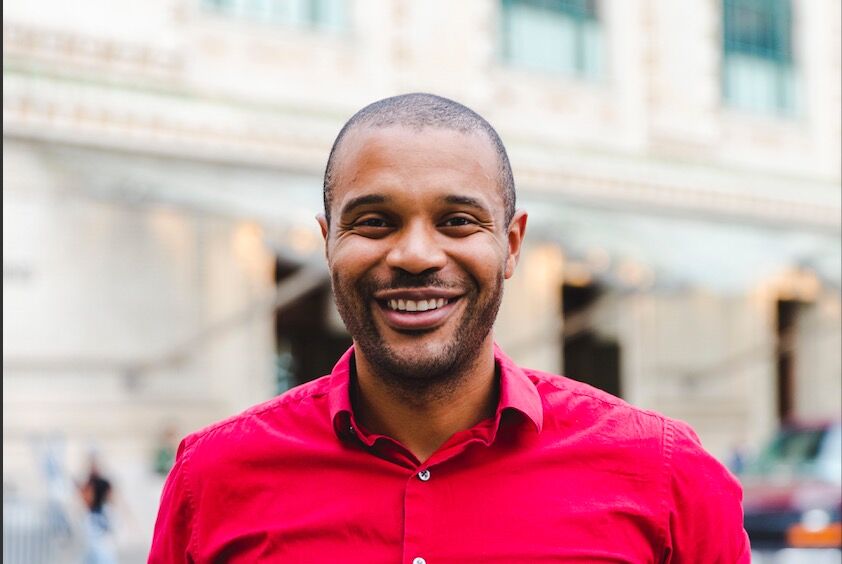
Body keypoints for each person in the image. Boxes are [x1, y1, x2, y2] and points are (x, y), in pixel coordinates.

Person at [149, 93, 750, 562]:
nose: (415, 255)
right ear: (327, 241)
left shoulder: (667, 476)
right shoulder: (213, 478)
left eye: (458, 221)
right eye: (375, 221)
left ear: (511, 245)